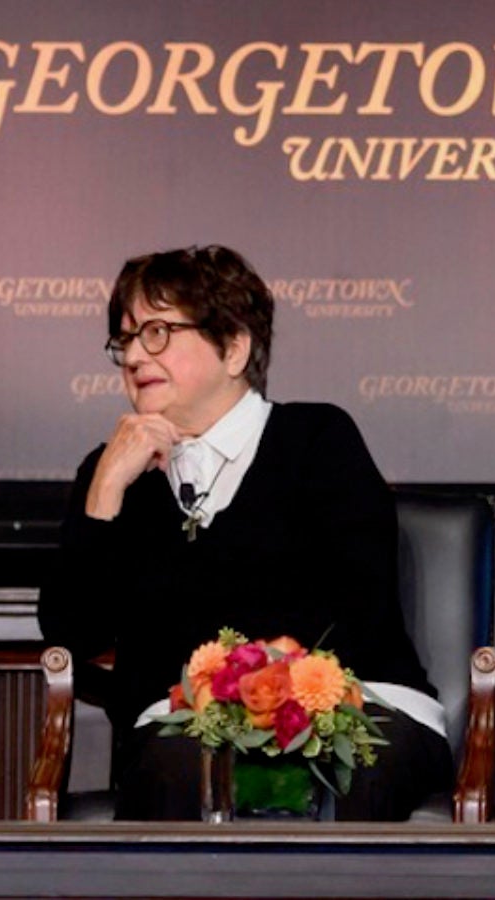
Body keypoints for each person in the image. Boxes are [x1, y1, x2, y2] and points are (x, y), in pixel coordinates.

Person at [39, 245, 452, 820]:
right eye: (126, 338)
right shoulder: (111, 472)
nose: (134, 355)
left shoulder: (317, 439)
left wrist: (229, 673)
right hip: (185, 729)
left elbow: (356, 606)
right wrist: (105, 493)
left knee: (346, 767)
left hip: (350, 706)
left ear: (234, 348)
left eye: (157, 332)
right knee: (181, 765)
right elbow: (70, 631)